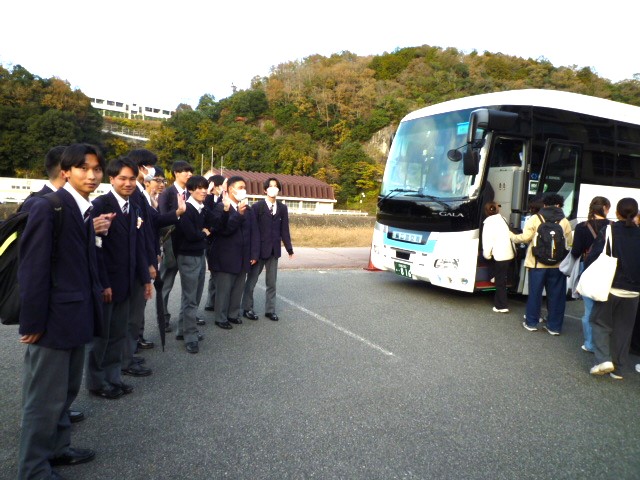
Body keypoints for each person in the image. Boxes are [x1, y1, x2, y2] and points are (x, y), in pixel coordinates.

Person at [17, 144, 107, 479]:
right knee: (44, 401)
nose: (91, 175)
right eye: (83, 168)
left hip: (76, 317)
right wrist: (32, 323)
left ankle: (58, 448)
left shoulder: (84, 208)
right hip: (51, 323)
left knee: (66, 393)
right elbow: (33, 270)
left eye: (96, 169)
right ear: (66, 172)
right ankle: (33, 469)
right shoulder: (49, 206)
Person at [86, 157, 153, 399]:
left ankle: (113, 378)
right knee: (101, 337)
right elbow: (96, 249)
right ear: (111, 179)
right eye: (122, 178)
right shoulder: (100, 205)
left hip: (127, 283)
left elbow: (138, 247)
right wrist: (103, 283)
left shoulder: (133, 206)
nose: (128, 183)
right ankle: (97, 382)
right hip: (107, 285)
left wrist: (145, 279)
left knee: (118, 334)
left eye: (132, 179)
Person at [124, 149, 184, 377]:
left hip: (146, 258)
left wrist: (177, 213)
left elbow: (154, 222)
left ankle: (129, 353)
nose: (157, 180)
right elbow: (143, 231)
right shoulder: (134, 194)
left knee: (135, 311)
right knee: (130, 313)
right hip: (136, 262)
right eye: (151, 169)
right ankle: (126, 357)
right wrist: (149, 259)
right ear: (142, 168)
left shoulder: (141, 194)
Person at [587, 197, 640, 379]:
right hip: (634, 290)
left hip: (610, 285)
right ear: (636, 213)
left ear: (617, 212)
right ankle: (617, 368)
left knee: (599, 322)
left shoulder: (609, 230)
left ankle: (603, 359)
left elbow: (593, 256)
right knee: (624, 330)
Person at [510, 193, 573, 335]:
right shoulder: (564, 221)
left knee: (535, 294)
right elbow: (569, 243)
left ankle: (531, 323)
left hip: (537, 264)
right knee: (556, 296)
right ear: (559, 205)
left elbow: (525, 238)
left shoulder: (535, 218)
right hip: (557, 265)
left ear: (544, 204)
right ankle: (554, 327)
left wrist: (512, 236)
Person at [173, 175, 217, 353]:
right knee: (191, 298)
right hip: (188, 256)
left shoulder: (202, 207)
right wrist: (204, 233)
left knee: (193, 296)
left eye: (205, 187)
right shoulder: (187, 209)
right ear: (190, 190)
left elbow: (214, 222)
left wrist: (206, 230)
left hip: (199, 254)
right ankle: (190, 336)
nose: (203, 191)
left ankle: (182, 330)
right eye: (199, 188)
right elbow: (191, 235)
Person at [210, 176, 259, 329]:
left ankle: (233, 314)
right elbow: (224, 230)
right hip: (226, 255)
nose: (243, 190)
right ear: (231, 189)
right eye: (240, 187)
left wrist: (254, 254)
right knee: (224, 289)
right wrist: (238, 214)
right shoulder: (221, 208)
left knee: (238, 287)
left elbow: (254, 232)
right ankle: (220, 317)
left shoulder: (248, 209)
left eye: (244, 187)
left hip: (243, 255)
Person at [241, 177, 294, 321]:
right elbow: (252, 230)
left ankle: (270, 310)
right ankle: (247, 308)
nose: (273, 188)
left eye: (276, 186)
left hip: (273, 251)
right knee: (251, 281)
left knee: (272, 283)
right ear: (265, 190)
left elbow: (284, 230)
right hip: (258, 251)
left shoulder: (282, 208)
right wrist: (252, 252)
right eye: (270, 186)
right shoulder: (257, 207)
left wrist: (289, 248)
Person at [569, 196, 611, 353]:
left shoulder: (581, 227)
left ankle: (590, 344)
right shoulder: (611, 227)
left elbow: (576, 251)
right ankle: (604, 344)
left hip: (587, 269)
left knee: (589, 310)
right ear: (605, 208)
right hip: (607, 270)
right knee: (605, 309)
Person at [158, 160, 194, 332]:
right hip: (171, 244)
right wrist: (178, 214)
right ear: (176, 173)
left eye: (190, 171)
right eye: (185, 171)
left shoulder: (191, 193)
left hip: (188, 246)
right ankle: (163, 317)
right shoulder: (167, 193)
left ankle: (187, 319)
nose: (189, 174)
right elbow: (162, 218)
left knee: (189, 288)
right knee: (165, 285)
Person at [481, 202, 514, 313]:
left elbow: (487, 241)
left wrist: (487, 255)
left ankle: (501, 306)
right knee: (502, 279)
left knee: (500, 283)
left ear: (486, 211)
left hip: (500, 255)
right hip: (509, 253)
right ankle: (494, 275)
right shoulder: (503, 219)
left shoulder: (488, 223)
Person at [204, 174, 226, 312]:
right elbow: (208, 214)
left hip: (218, 239)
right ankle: (213, 302)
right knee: (215, 272)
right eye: (223, 184)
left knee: (215, 272)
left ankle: (211, 302)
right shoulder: (208, 198)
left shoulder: (222, 198)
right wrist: (208, 193)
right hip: (209, 240)